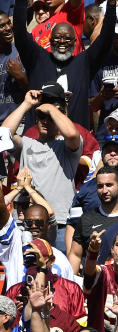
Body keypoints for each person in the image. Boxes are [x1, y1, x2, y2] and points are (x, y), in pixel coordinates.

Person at [13, 0, 117, 131]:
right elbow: (19, 33)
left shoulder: (84, 62)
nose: (62, 42)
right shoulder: (37, 59)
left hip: (74, 141)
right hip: (37, 140)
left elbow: (106, 39)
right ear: (50, 41)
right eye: (57, 38)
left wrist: (112, 5)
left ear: (75, 42)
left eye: (68, 39)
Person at [0, 86, 82, 234]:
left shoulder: (65, 145)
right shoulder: (26, 143)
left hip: (60, 223)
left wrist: (51, 109)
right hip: (26, 224)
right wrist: (26, 104)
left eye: (50, 117)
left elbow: (71, 134)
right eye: (41, 116)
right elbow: (3, 135)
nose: (45, 121)